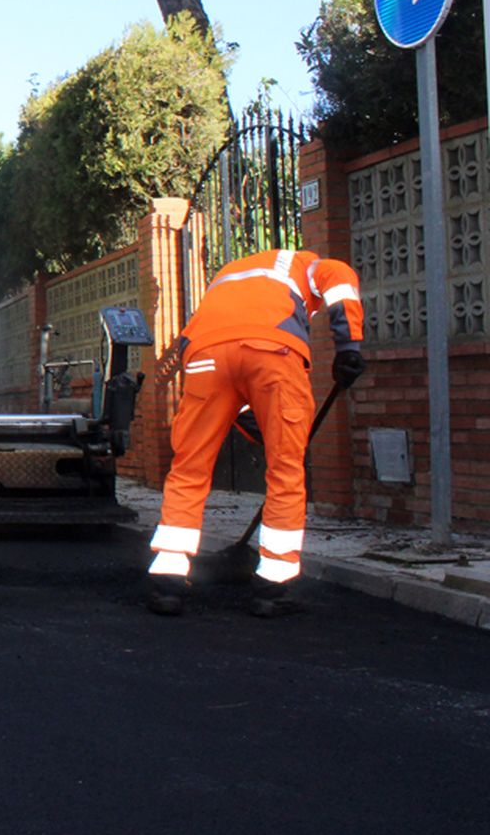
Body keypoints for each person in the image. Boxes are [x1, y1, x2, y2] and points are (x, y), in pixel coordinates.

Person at [146, 248, 365, 618]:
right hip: (273, 351)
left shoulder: (233, 274)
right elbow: (340, 277)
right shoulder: (304, 262)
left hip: (203, 355)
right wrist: (348, 348)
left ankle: (167, 580)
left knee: (189, 468)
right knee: (285, 469)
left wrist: (255, 424)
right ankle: (272, 588)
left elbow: (218, 370)